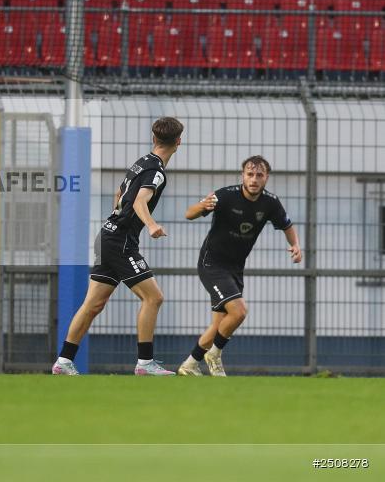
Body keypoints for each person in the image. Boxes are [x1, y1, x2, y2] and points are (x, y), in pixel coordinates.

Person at [52, 117, 184, 376]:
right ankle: (145, 363)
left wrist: (117, 216)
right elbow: (138, 201)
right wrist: (151, 225)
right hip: (121, 240)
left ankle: (63, 361)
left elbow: (120, 192)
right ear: (179, 142)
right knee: (153, 297)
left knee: (93, 304)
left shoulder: (141, 162)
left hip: (107, 234)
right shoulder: (156, 170)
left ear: (153, 138)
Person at [178, 156, 302, 377]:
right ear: (243, 176)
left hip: (235, 268)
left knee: (220, 324)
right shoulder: (226, 195)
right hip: (212, 263)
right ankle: (214, 355)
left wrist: (295, 245)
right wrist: (201, 206)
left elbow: (287, 225)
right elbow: (189, 214)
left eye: (259, 175)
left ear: (266, 178)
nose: (254, 179)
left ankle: (189, 364)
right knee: (239, 311)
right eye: (250, 174)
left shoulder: (271, 203)